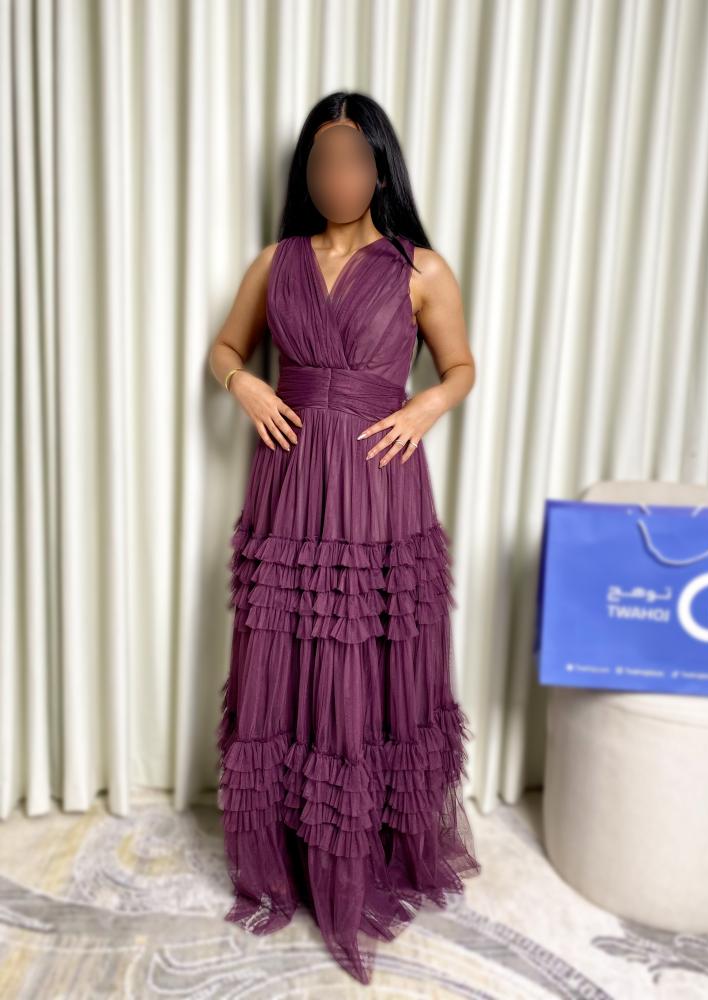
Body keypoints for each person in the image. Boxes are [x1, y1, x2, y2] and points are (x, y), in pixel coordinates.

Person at [208, 90, 479, 985]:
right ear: (307, 173)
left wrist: (428, 405)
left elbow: (461, 365)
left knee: (367, 655)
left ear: (381, 169)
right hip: (289, 483)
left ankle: (368, 851)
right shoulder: (275, 261)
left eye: (356, 158)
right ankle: (290, 850)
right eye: (323, 160)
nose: (338, 175)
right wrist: (246, 384)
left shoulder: (418, 268)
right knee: (287, 652)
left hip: (378, 479)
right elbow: (225, 350)